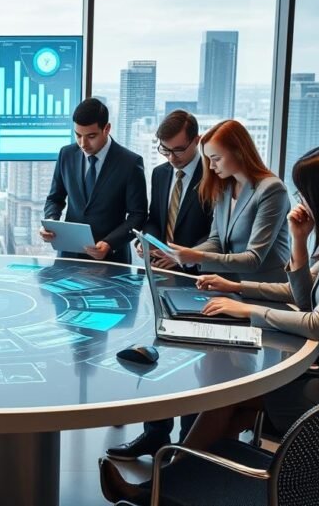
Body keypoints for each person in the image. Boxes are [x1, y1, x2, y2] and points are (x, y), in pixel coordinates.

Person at [100, 143, 319, 504]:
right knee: (229, 404)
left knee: (229, 401)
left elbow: (318, 322)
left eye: (306, 193)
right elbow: (305, 299)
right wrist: (295, 246)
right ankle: (173, 487)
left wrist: (245, 310)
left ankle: (163, 488)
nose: (302, 201)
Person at [107, 110, 213, 462]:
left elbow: (218, 234)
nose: (171, 158)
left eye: (178, 151)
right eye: (164, 150)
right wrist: (146, 241)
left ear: (195, 141)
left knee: (191, 362)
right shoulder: (160, 172)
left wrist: (183, 258)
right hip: (160, 277)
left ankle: (187, 447)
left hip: (197, 281)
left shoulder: (214, 175)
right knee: (159, 357)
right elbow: (154, 218)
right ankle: (155, 436)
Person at [167, 119, 291, 282]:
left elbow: (253, 259)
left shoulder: (272, 189)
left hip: (264, 289)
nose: (211, 166)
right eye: (209, 159)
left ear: (239, 152)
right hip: (228, 285)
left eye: (216, 158)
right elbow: (216, 241)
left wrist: (196, 256)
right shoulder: (225, 188)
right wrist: (186, 255)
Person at [41, 98, 147, 264]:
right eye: (78, 135)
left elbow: (138, 215)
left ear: (107, 129)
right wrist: (52, 222)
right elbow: (55, 198)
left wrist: (109, 243)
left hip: (111, 260)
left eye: (91, 136)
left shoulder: (130, 163)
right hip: (69, 257)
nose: (83, 144)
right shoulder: (66, 154)